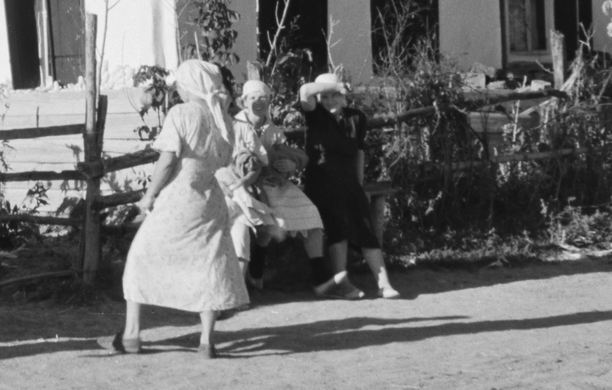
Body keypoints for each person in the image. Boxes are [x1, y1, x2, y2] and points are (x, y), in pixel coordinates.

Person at [105, 58, 247, 358]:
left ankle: (131, 334)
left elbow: (168, 160)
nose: (178, 89)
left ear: (189, 85)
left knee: (140, 257)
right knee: (208, 264)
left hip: (178, 197)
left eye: (180, 84)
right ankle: (207, 341)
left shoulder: (181, 113)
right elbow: (223, 162)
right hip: (209, 199)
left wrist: (149, 195)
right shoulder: (222, 119)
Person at [298, 72, 399, 299]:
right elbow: (305, 91)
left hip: (348, 181)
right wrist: (334, 85)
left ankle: (384, 283)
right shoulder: (315, 115)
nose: (330, 101)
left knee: (365, 228)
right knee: (338, 227)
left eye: (335, 95)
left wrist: (359, 185)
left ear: (344, 98)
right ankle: (343, 283)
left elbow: (359, 154)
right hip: (321, 182)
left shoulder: (357, 118)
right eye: (325, 96)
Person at [225, 80, 328, 290]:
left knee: (311, 214)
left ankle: (321, 280)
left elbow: (283, 155)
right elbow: (229, 160)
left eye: (262, 97)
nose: (258, 101)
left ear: (269, 101)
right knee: (263, 224)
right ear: (244, 101)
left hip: (273, 184)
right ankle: (251, 276)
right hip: (241, 186)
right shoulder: (234, 126)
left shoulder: (272, 129)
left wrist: (290, 165)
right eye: (252, 97)